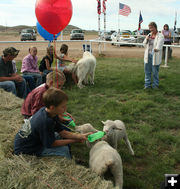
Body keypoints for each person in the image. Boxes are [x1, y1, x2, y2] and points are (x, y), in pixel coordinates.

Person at [14, 87, 91, 158]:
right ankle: (70, 162)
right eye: (63, 106)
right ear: (52, 107)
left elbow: (63, 133)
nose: (65, 108)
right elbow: (51, 144)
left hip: (32, 139)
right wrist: (74, 140)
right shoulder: (46, 122)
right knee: (63, 150)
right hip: (26, 149)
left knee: (58, 135)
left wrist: (81, 136)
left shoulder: (49, 112)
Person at [143, 22, 164, 89]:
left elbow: (159, 45)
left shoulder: (160, 35)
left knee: (155, 72)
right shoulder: (149, 35)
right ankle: (147, 85)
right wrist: (146, 39)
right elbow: (144, 44)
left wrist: (156, 48)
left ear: (155, 27)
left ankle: (155, 86)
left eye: (151, 28)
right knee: (147, 71)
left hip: (155, 55)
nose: (150, 29)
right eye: (149, 28)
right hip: (148, 55)